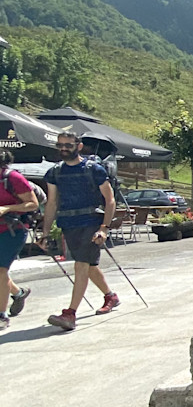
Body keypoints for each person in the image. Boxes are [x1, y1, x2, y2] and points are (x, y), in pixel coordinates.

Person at [42, 130, 120, 331]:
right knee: (88, 266)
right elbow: (51, 203)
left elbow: (110, 200)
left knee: (80, 265)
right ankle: (111, 296)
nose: (63, 149)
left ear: (78, 146)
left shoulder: (94, 169)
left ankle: (70, 314)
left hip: (91, 223)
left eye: (68, 145)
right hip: (68, 224)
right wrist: (45, 232)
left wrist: (104, 228)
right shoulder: (55, 172)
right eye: (60, 145)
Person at [0, 151, 38, 331]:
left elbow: (33, 203)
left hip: (12, 230)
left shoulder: (12, 177)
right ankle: (18, 293)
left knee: (0, 271)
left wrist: (7, 208)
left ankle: (1, 316)